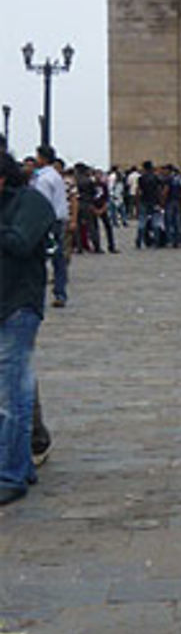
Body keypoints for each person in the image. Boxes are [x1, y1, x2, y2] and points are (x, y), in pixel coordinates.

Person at [0, 151, 56, 505]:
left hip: (19, 307)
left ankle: (11, 474)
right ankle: (23, 463)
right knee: (13, 386)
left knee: (11, 394)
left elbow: (21, 243)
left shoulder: (33, 203)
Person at [32, 145, 69, 307]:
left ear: (43, 158)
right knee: (58, 258)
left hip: (47, 222)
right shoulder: (56, 176)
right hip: (58, 221)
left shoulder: (43, 179)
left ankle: (38, 294)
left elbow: (42, 203)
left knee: (40, 257)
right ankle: (60, 292)